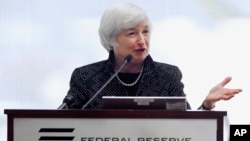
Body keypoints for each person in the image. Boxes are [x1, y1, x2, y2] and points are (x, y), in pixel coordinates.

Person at [60, 3, 242, 110]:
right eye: (132, 34)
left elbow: (188, 125)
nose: (142, 40)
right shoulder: (85, 76)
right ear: (111, 38)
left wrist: (207, 105)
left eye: (145, 32)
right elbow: (62, 123)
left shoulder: (167, 75)